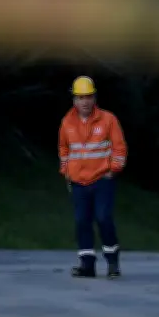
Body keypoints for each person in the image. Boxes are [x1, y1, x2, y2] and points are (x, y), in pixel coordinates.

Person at [58, 76, 128, 278]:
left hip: (102, 179)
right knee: (81, 221)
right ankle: (87, 265)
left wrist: (113, 170)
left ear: (94, 98)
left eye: (88, 97)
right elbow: (64, 148)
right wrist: (66, 171)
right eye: (80, 97)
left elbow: (119, 147)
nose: (84, 102)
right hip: (78, 181)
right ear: (74, 100)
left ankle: (113, 262)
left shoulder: (108, 120)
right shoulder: (67, 122)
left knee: (103, 218)